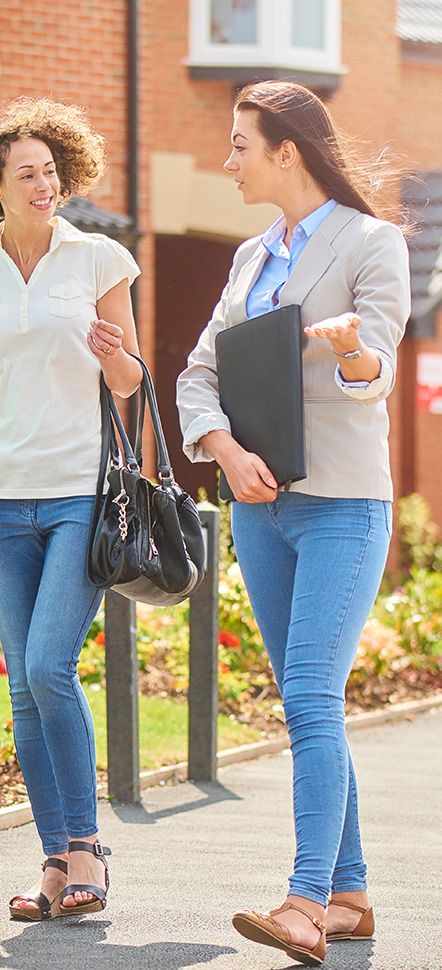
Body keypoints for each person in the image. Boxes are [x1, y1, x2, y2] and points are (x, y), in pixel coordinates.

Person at [177, 80, 409, 966]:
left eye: (241, 145)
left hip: (343, 503)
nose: (227, 161)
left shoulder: (369, 242)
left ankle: (305, 901)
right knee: (305, 701)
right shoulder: (247, 259)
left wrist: (351, 347)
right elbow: (200, 373)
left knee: (311, 695)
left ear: (288, 151)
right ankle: (349, 893)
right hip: (261, 509)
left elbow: (378, 366)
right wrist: (226, 453)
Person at [0, 97, 143, 920]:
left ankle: (88, 847)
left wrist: (114, 356)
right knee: (22, 687)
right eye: (27, 175)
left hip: (80, 493)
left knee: (51, 664)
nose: (45, 185)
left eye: (51, 171)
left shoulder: (98, 260)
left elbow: (129, 383)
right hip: (7, 497)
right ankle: (55, 861)